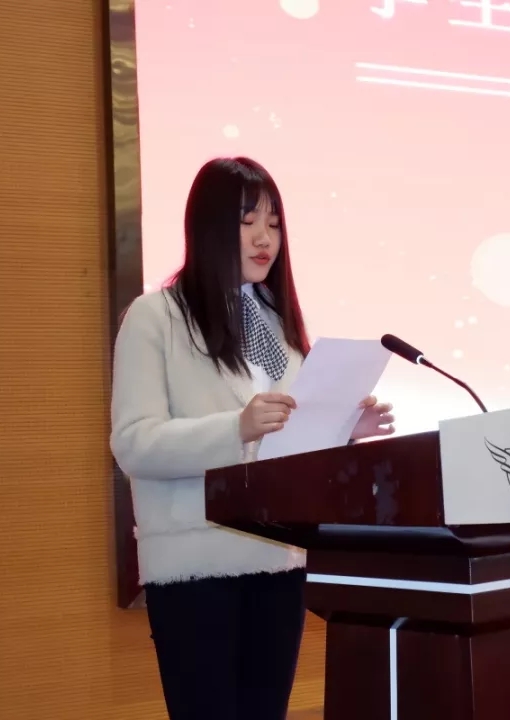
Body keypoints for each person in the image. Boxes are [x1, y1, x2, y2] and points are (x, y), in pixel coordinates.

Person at [110, 156, 395, 720]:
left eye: (274, 223)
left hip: (278, 561)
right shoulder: (155, 317)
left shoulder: (276, 323)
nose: (265, 238)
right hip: (195, 566)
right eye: (247, 222)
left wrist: (343, 428)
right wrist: (234, 428)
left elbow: (285, 442)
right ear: (208, 227)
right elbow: (134, 443)